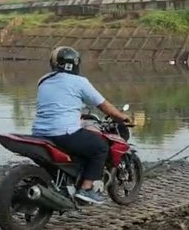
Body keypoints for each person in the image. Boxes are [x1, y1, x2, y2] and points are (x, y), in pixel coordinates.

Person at [32, 46, 130, 204]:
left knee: (83, 140)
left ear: (54, 63)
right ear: (76, 63)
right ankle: (87, 189)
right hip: (63, 133)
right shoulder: (80, 82)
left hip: (39, 132)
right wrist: (121, 116)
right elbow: (103, 105)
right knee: (100, 147)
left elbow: (59, 102)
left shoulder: (43, 80)